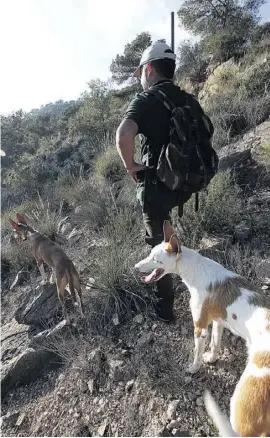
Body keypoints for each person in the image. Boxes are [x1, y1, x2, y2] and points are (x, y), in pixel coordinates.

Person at [115, 42, 193, 323]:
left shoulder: (146, 100)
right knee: (167, 229)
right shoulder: (187, 98)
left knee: (158, 245)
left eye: (141, 74)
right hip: (185, 183)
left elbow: (124, 135)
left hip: (157, 186)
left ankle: (165, 312)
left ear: (149, 69)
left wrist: (130, 165)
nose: (141, 80)